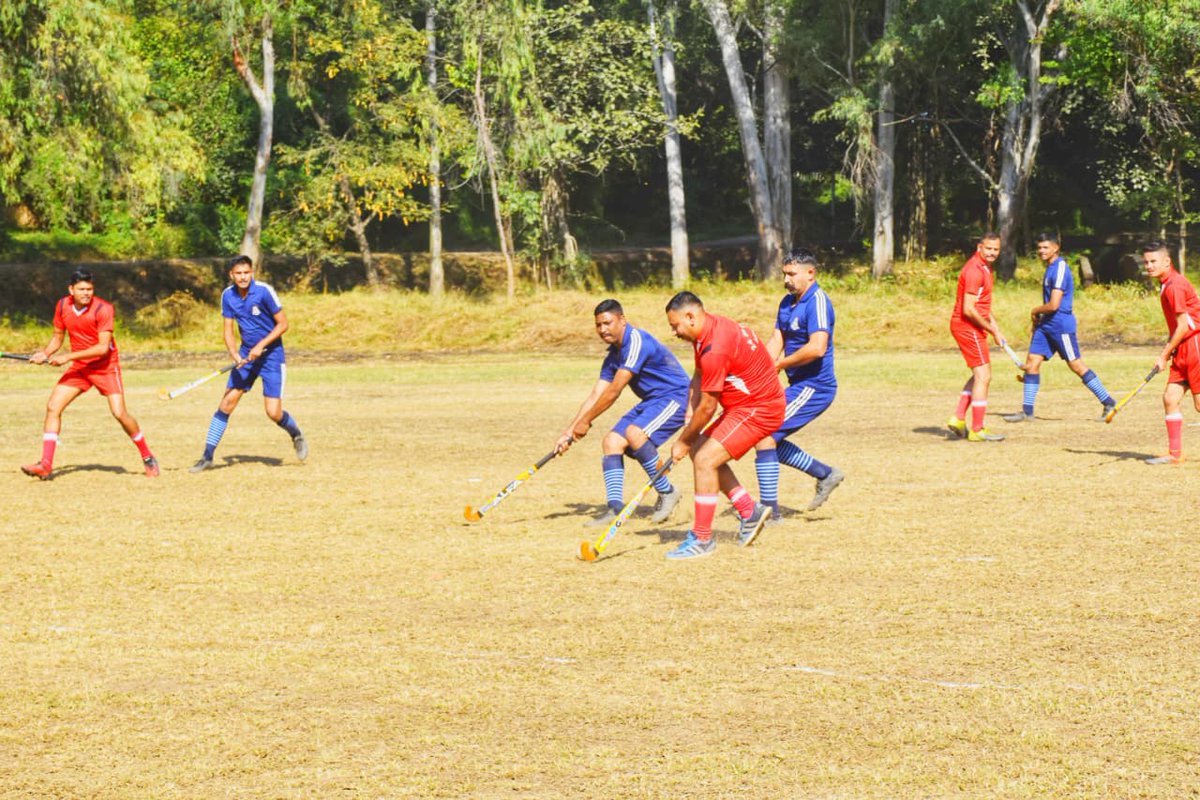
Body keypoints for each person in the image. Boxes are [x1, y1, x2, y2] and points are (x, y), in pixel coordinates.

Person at [663, 291, 786, 560]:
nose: (674, 332)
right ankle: (749, 511)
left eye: (675, 326)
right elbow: (698, 375)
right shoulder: (707, 331)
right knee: (701, 450)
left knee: (705, 459)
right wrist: (688, 419)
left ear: (690, 316)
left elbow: (708, 407)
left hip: (759, 408)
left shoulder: (714, 348)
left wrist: (683, 440)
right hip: (746, 405)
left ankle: (702, 539)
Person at [555, 299, 690, 526]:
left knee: (635, 434)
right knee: (612, 442)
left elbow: (614, 390)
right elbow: (597, 394)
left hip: (676, 397)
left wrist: (586, 421)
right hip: (652, 400)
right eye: (598, 325)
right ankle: (615, 508)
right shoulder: (614, 355)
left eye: (607, 323)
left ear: (622, 320)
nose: (602, 329)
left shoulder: (636, 342)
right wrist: (570, 430)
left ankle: (668, 492)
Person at [21, 269, 158, 480]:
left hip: (105, 367)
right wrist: (45, 353)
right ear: (71, 290)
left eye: (90, 289)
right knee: (53, 407)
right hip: (80, 368)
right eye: (82, 289)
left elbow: (103, 348)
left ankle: (147, 456)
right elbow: (58, 338)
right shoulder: (62, 305)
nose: (86, 293)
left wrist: (67, 357)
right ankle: (46, 464)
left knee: (120, 413)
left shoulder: (104, 309)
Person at [189, 255, 307, 472]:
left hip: (271, 356)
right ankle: (207, 456)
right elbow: (228, 331)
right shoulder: (228, 295)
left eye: (246, 273)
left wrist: (260, 346)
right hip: (246, 356)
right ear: (231, 275)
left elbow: (283, 325)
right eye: (238, 273)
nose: (243, 277)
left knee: (273, 412)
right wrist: (235, 354)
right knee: (226, 404)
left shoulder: (264, 292)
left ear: (252, 272)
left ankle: (296, 433)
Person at [753, 249, 844, 518]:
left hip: (815, 387)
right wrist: (762, 371)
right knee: (766, 438)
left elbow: (817, 348)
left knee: (765, 437)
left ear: (810, 274)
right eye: (784, 274)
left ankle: (770, 513)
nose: (786, 280)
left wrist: (780, 365)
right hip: (798, 386)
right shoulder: (787, 302)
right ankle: (825, 474)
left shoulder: (817, 302)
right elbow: (776, 340)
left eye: (792, 274)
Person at [1003, 233, 1115, 422]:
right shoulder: (1050, 268)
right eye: (1039, 248)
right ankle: (1027, 412)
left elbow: (1054, 305)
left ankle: (1108, 402)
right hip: (1046, 324)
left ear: (1056, 247)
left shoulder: (1061, 268)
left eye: (1045, 247)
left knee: (1076, 365)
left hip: (1060, 325)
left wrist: (1034, 310)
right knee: (1032, 363)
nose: (1041, 251)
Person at [1142, 240, 1200, 465]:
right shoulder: (1166, 284)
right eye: (1146, 262)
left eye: (1153, 261)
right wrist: (1170, 349)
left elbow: (1184, 326)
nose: (1149, 266)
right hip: (1182, 348)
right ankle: (1175, 454)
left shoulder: (1174, 285)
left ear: (1167, 261)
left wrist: (1164, 354)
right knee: (1170, 397)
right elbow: (1177, 328)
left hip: (1194, 346)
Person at [947, 232, 1009, 442]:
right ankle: (977, 429)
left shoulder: (984, 267)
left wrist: (996, 328)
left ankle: (958, 418)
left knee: (977, 376)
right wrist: (992, 331)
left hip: (974, 327)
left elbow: (982, 305)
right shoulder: (974, 270)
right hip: (968, 327)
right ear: (979, 247)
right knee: (984, 377)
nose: (992, 253)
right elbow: (969, 309)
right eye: (988, 248)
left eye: (996, 249)